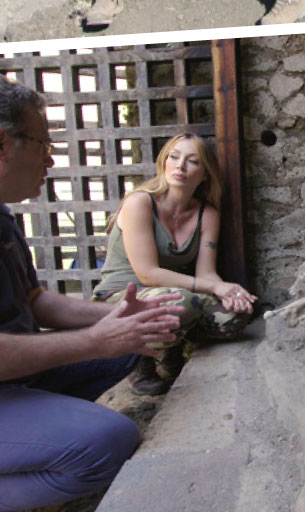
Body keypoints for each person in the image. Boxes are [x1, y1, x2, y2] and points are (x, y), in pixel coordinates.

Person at [0, 80, 184, 509]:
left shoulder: (4, 218)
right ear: (3, 143)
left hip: (14, 376)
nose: (51, 158)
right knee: (109, 441)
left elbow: (34, 302)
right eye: (43, 143)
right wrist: (95, 338)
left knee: (125, 348)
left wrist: (119, 315)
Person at [91, 133, 256, 396]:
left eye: (192, 161)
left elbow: (206, 273)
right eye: (174, 157)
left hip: (174, 295)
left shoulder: (207, 213)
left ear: (204, 174)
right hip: (122, 298)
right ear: (163, 162)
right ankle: (136, 359)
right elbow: (148, 275)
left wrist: (230, 290)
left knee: (235, 314)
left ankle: (171, 348)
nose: (180, 166)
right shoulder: (140, 202)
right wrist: (210, 288)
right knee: (182, 302)